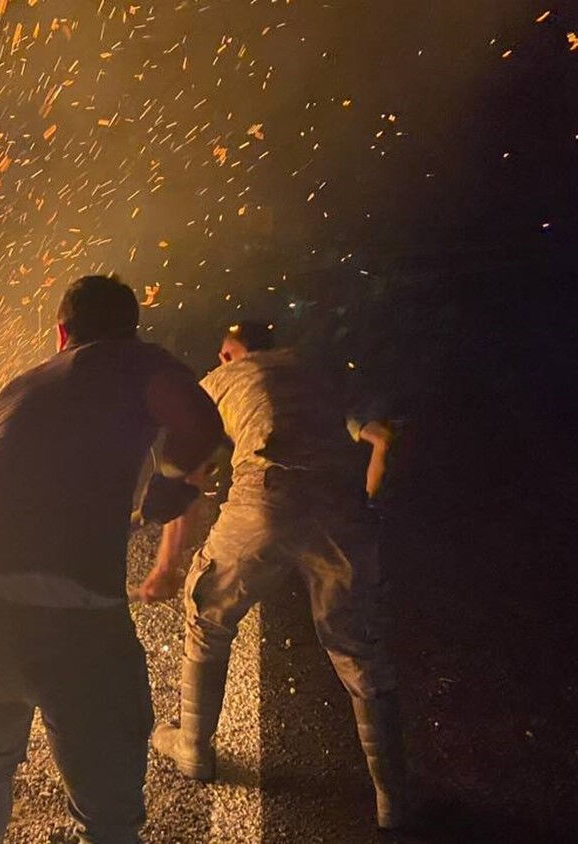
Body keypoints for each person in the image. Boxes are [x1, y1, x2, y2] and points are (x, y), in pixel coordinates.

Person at [0, 275, 225, 844]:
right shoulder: (136, 361)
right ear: (131, 327)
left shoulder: (20, 384)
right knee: (107, 805)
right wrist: (173, 482)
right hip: (69, 607)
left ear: (61, 332)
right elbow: (201, 424)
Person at [139, 319, 410, 830]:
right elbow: (384, 440)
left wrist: (167, 566)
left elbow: (188, 475)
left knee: (207, 615)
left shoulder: (221, 379)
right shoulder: (318, 373)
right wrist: (367, 505)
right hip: (340, 508)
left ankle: (194, 749)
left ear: (228, 353)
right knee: (359, 650)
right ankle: (392, 800)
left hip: (264, 498)